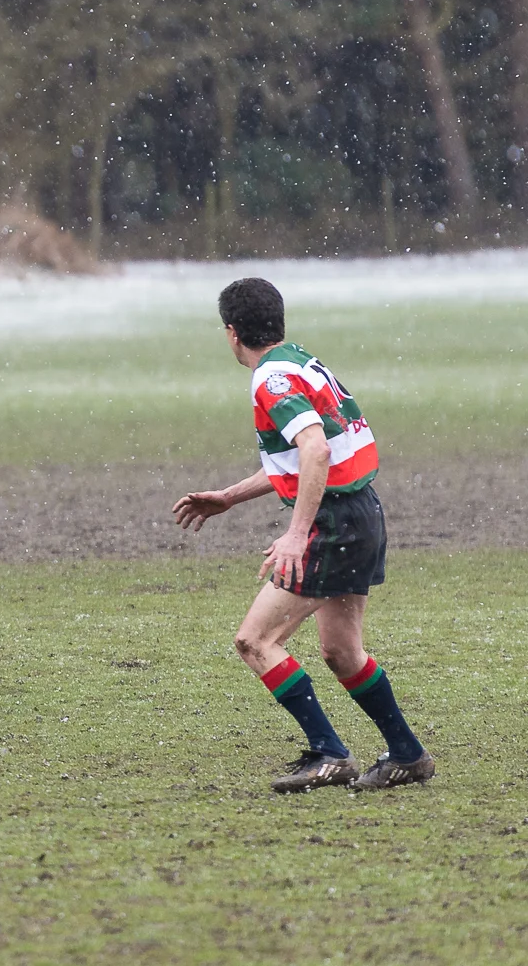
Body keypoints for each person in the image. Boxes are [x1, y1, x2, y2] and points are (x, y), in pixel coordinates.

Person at [173, 278, 431, 793]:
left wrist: (295, 534)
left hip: (332, 522)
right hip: (361, 513)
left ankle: (330, 754)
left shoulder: (271, 380)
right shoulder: (300, 362)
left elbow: (314, 452)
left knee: (255, 640)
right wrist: (229, 496)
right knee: (342, 651)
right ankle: (407, 755)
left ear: (231, 333)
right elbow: (302, 458)